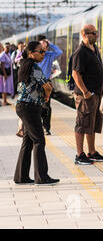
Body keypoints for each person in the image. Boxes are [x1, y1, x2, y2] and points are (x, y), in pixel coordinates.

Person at [14, 41, 59, 185]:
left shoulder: (24, 65)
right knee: (39, 140)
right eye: (40, 51)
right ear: (31, 53)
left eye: (44, 51)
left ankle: (21, 176)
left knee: (28, 141)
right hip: (30, 107)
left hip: (23, 106)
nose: (43, 54)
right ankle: (42, 177)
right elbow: (46, 85)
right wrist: (46, 96)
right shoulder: (34, 66)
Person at [71, 25, 103, 165]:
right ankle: (79, 155)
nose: (97, 35)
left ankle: (91, 152)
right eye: (94, 33)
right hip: (84, 95)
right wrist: (86, 92)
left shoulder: (94, 49)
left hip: (95, 94)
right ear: (85, 34)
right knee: (82, 123)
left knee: (91, 124)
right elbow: (76, 74)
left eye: (96, 32)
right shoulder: (80, 52)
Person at [37, 35, 63, 135]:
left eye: (45, 43)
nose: (44, 45)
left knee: (47, 106)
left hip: (46, 82)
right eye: (42, 43)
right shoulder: (35, 54)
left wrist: (50, 44)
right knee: (37, 105)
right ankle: (38, 125)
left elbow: (59, 52)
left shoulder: (49, 55)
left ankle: (46, 127)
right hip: (36, 82)